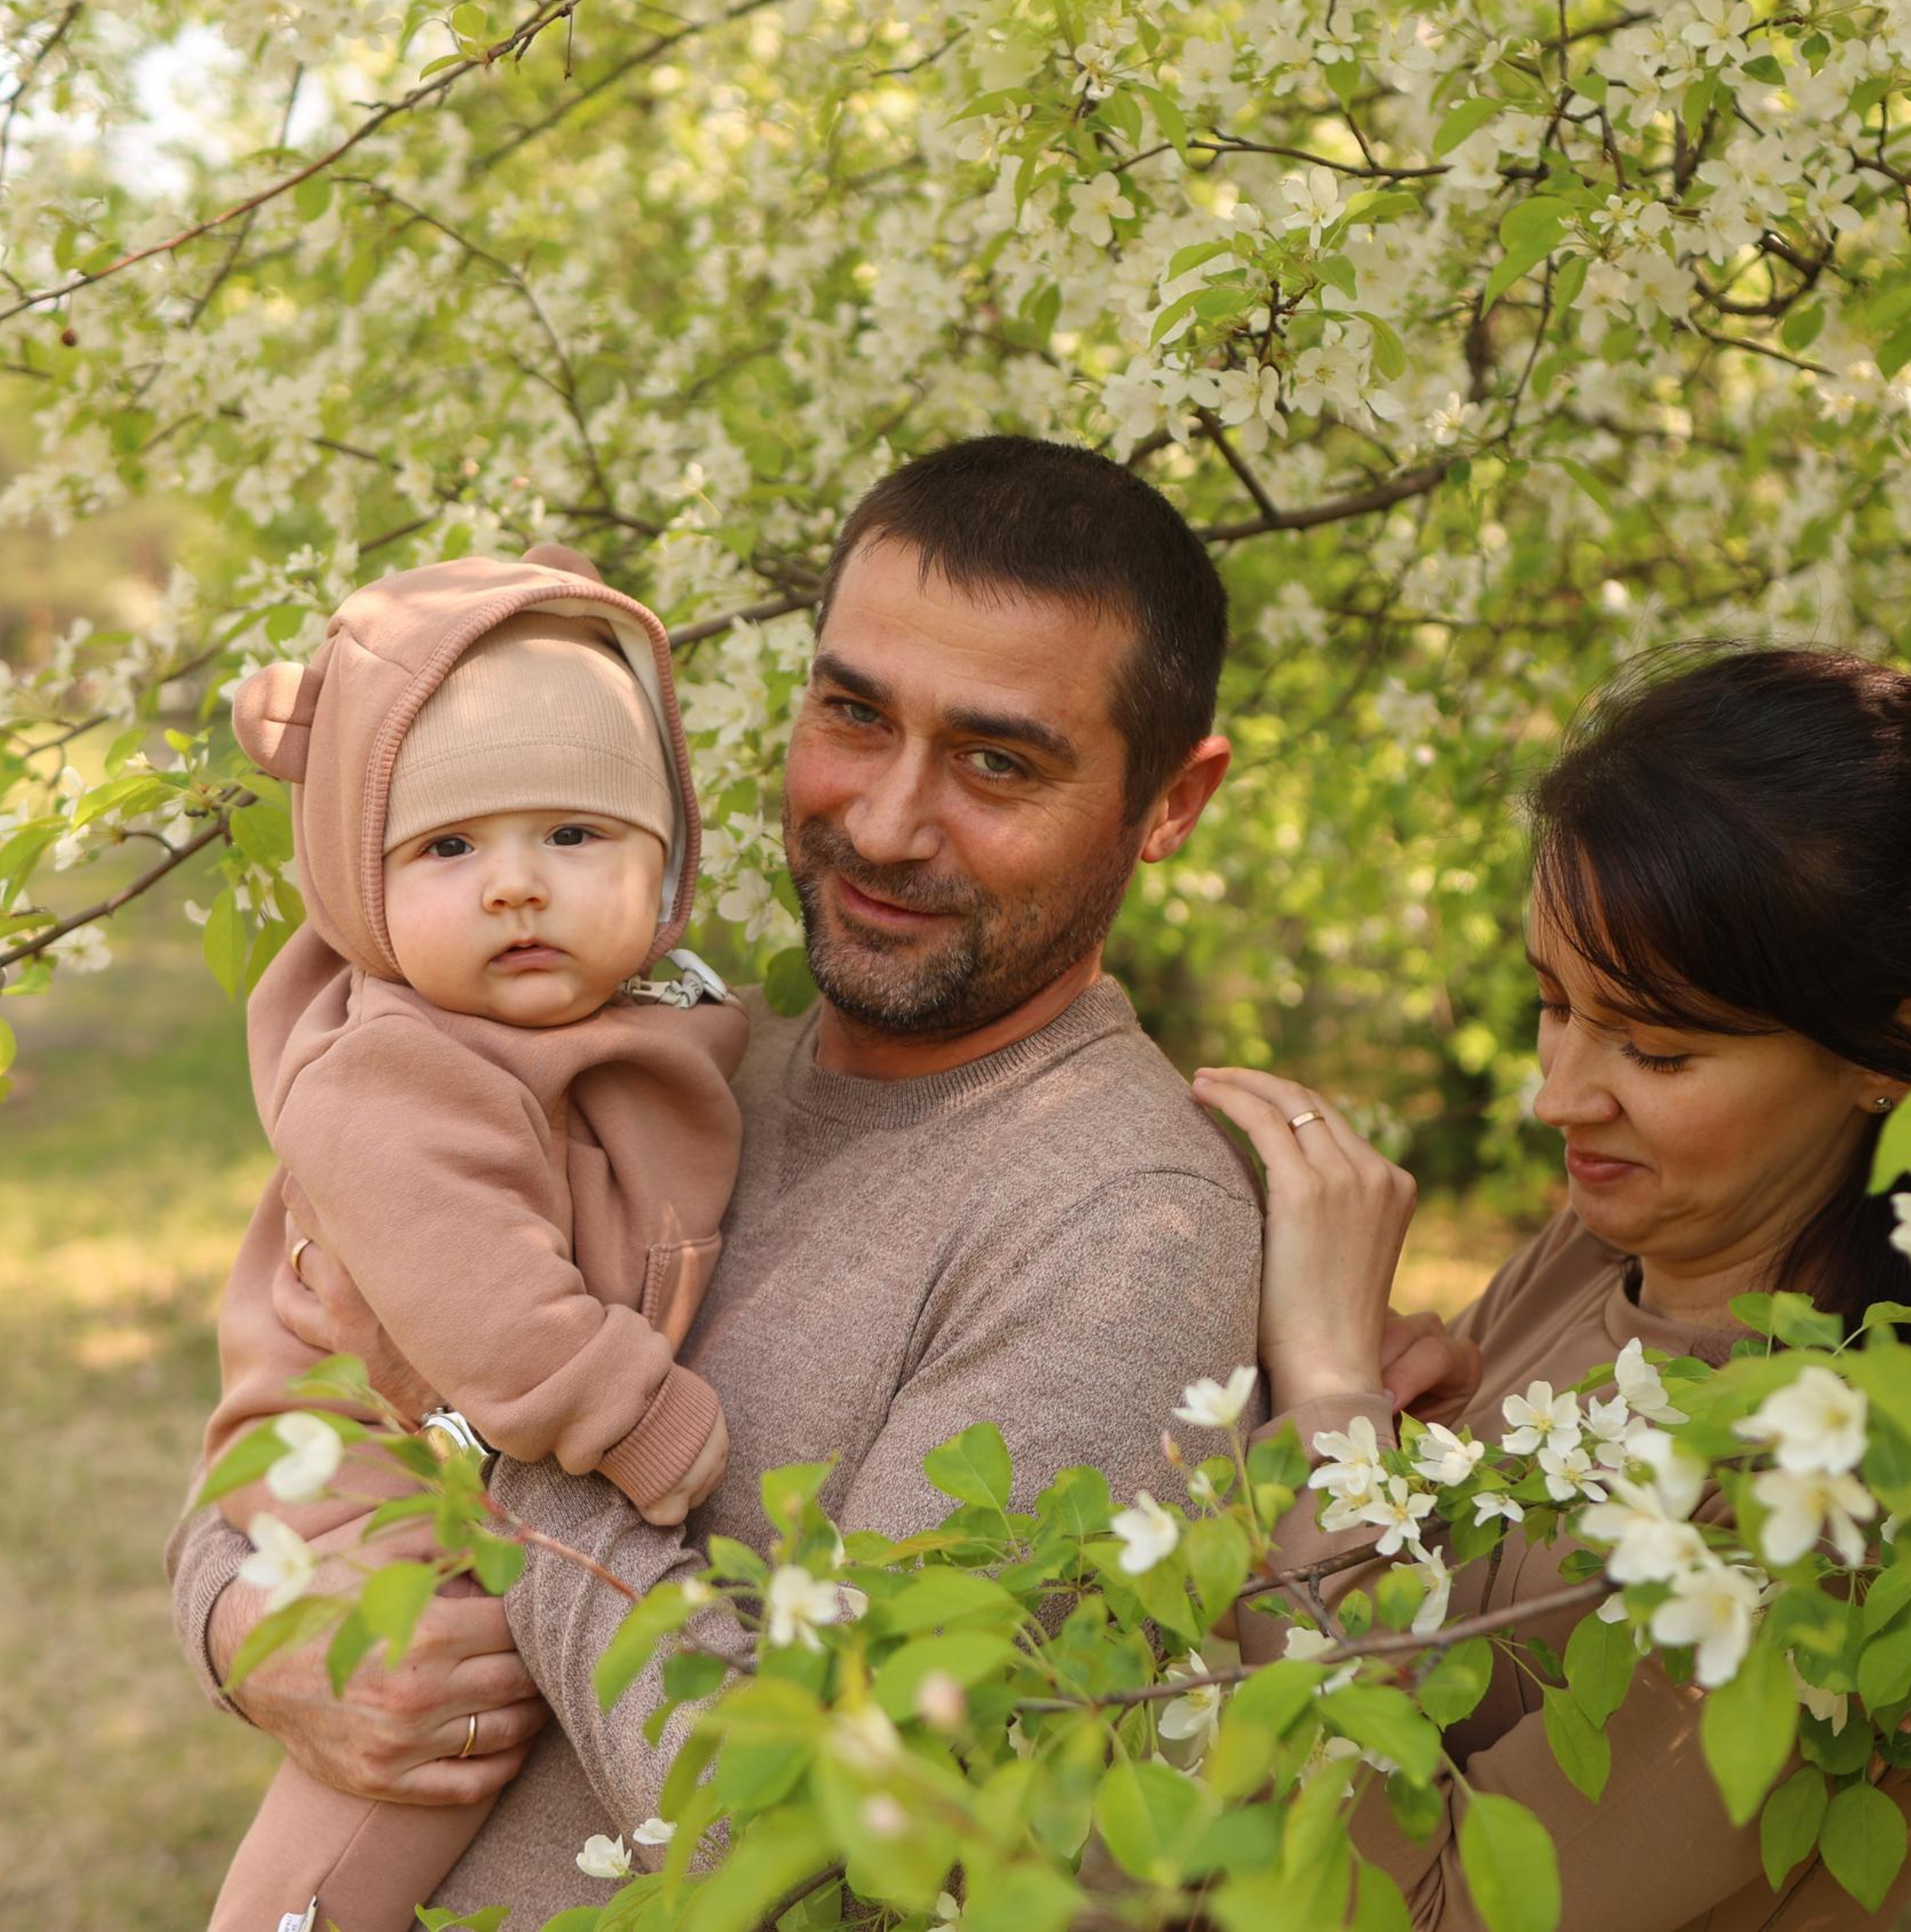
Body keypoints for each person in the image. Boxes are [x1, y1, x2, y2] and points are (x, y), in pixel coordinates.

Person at [167, 436, 1278, 1924]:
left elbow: (837, 1853)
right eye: (851, 713)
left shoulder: (1124, 1232)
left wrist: (486, 1445)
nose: (883, 821)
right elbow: (294, 1403)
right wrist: (250, 1626)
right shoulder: (676, 1051)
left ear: (1169, 802)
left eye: (996, 759)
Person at [1198, 644, 1911, 1928]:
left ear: (1884, 1055)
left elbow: (1420, 1912)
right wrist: (1423, 1455)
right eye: (1549, 1004)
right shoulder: (1610, 1246)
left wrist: (1324, 1389)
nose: (1558, 1098)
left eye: (1657, 1048)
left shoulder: (1826, 1510)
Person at [200, 544, 748, 1931]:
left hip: (460, 1481)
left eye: (573, 836)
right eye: (449, 847)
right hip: (374, 1504)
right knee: (406, 1766)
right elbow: (484, 1304)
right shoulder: (395, 1073)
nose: (516, 885)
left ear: (667, 858)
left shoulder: (631, 1023)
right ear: (360, 883)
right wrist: (633, 1417)